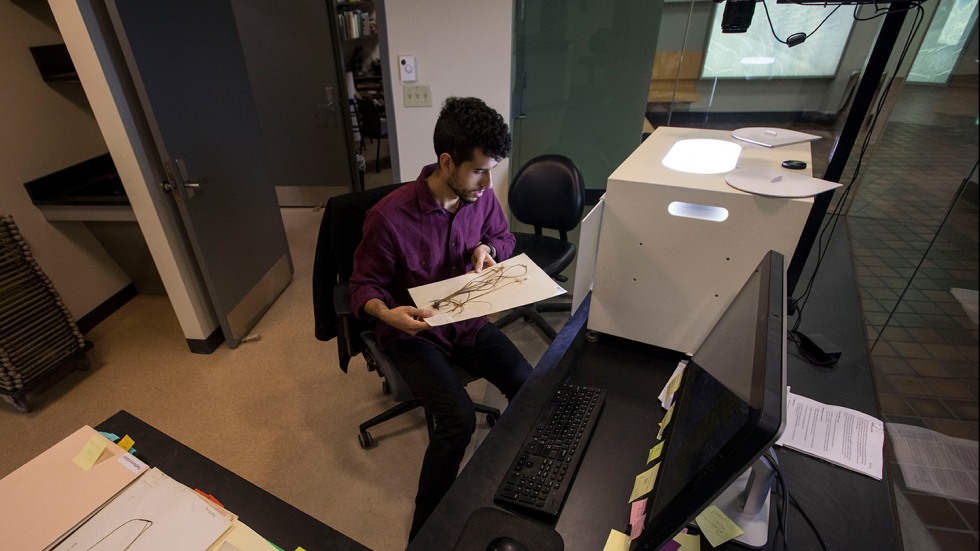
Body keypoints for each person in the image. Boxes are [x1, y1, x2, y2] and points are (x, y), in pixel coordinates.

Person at [348, 97, 533, 541]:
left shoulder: (481, 198)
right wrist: (385, 313)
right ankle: (425, 534)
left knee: (530, 387)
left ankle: (516, 496)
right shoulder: (388, 218)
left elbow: (503, 237)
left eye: (493, 170)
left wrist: (489, 250)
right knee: (458, 419)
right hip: (414, 333)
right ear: (447, 162)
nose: (488, 183)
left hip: (467, 321)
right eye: (479, 170)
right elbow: (361, 286)